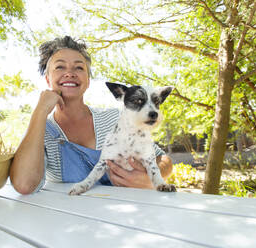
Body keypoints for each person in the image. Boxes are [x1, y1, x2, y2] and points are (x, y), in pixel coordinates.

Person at [10, 36, 173, 194]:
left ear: (87, 81)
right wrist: (40, 111)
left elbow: (163, 160)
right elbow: (24, 185)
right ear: (47, 79)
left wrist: (146, 179)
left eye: (79, 67)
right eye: (60, 67)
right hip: (68, 217)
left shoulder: (114, 118)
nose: (70, 73)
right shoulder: (40, 131)